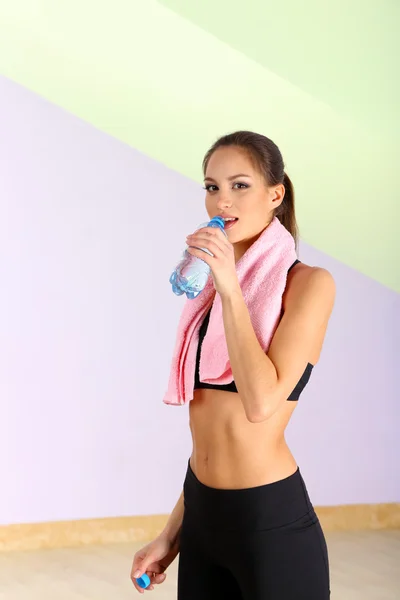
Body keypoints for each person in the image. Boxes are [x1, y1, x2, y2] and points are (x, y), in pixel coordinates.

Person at [130, 131, 336, 598]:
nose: (222, 200)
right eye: (211, 187)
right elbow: (210, 439)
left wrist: (230, 289)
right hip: (202, 522)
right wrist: (171, 535)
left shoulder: (309, 285)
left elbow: (260, 404)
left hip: (268, 526)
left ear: (275, 193)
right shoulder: (206, 298)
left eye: (240, 185)